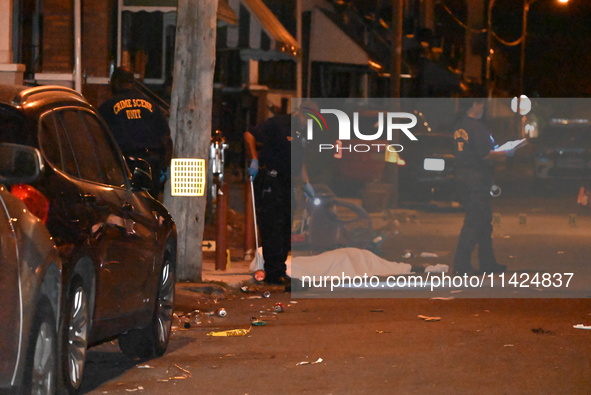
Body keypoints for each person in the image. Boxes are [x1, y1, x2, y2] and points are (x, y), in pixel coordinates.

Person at [452, 92, 523, 275]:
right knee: (475, 221)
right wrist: (507, 152)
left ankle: (488, 262)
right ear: (475, 104)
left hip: (463, 175)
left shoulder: (460, 126)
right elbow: (486, 154)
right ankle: (462, 265)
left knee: (483, 221)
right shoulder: (477, 128)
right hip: (476, 177)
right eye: (481, 104)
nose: (483, 108)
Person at [244, 105, 312, 286]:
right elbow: (249, 135)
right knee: (273, 225)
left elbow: (300, 159)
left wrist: (306, 183)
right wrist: (254, 159)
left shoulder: (303, 131)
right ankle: (273, 271)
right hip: (272, 180)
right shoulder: (278, 124)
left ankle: (279, 270)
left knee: (286, 228)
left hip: (290, 182)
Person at [98, 66, 172, 200]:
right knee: (149, 206)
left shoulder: (107, 107)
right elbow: (166, 138)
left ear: (116, 82)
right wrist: (163, 167)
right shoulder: (151, 105)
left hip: (124, 167)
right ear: (132, 83)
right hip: (151, 164)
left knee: (128, 208)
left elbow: (99, 140)